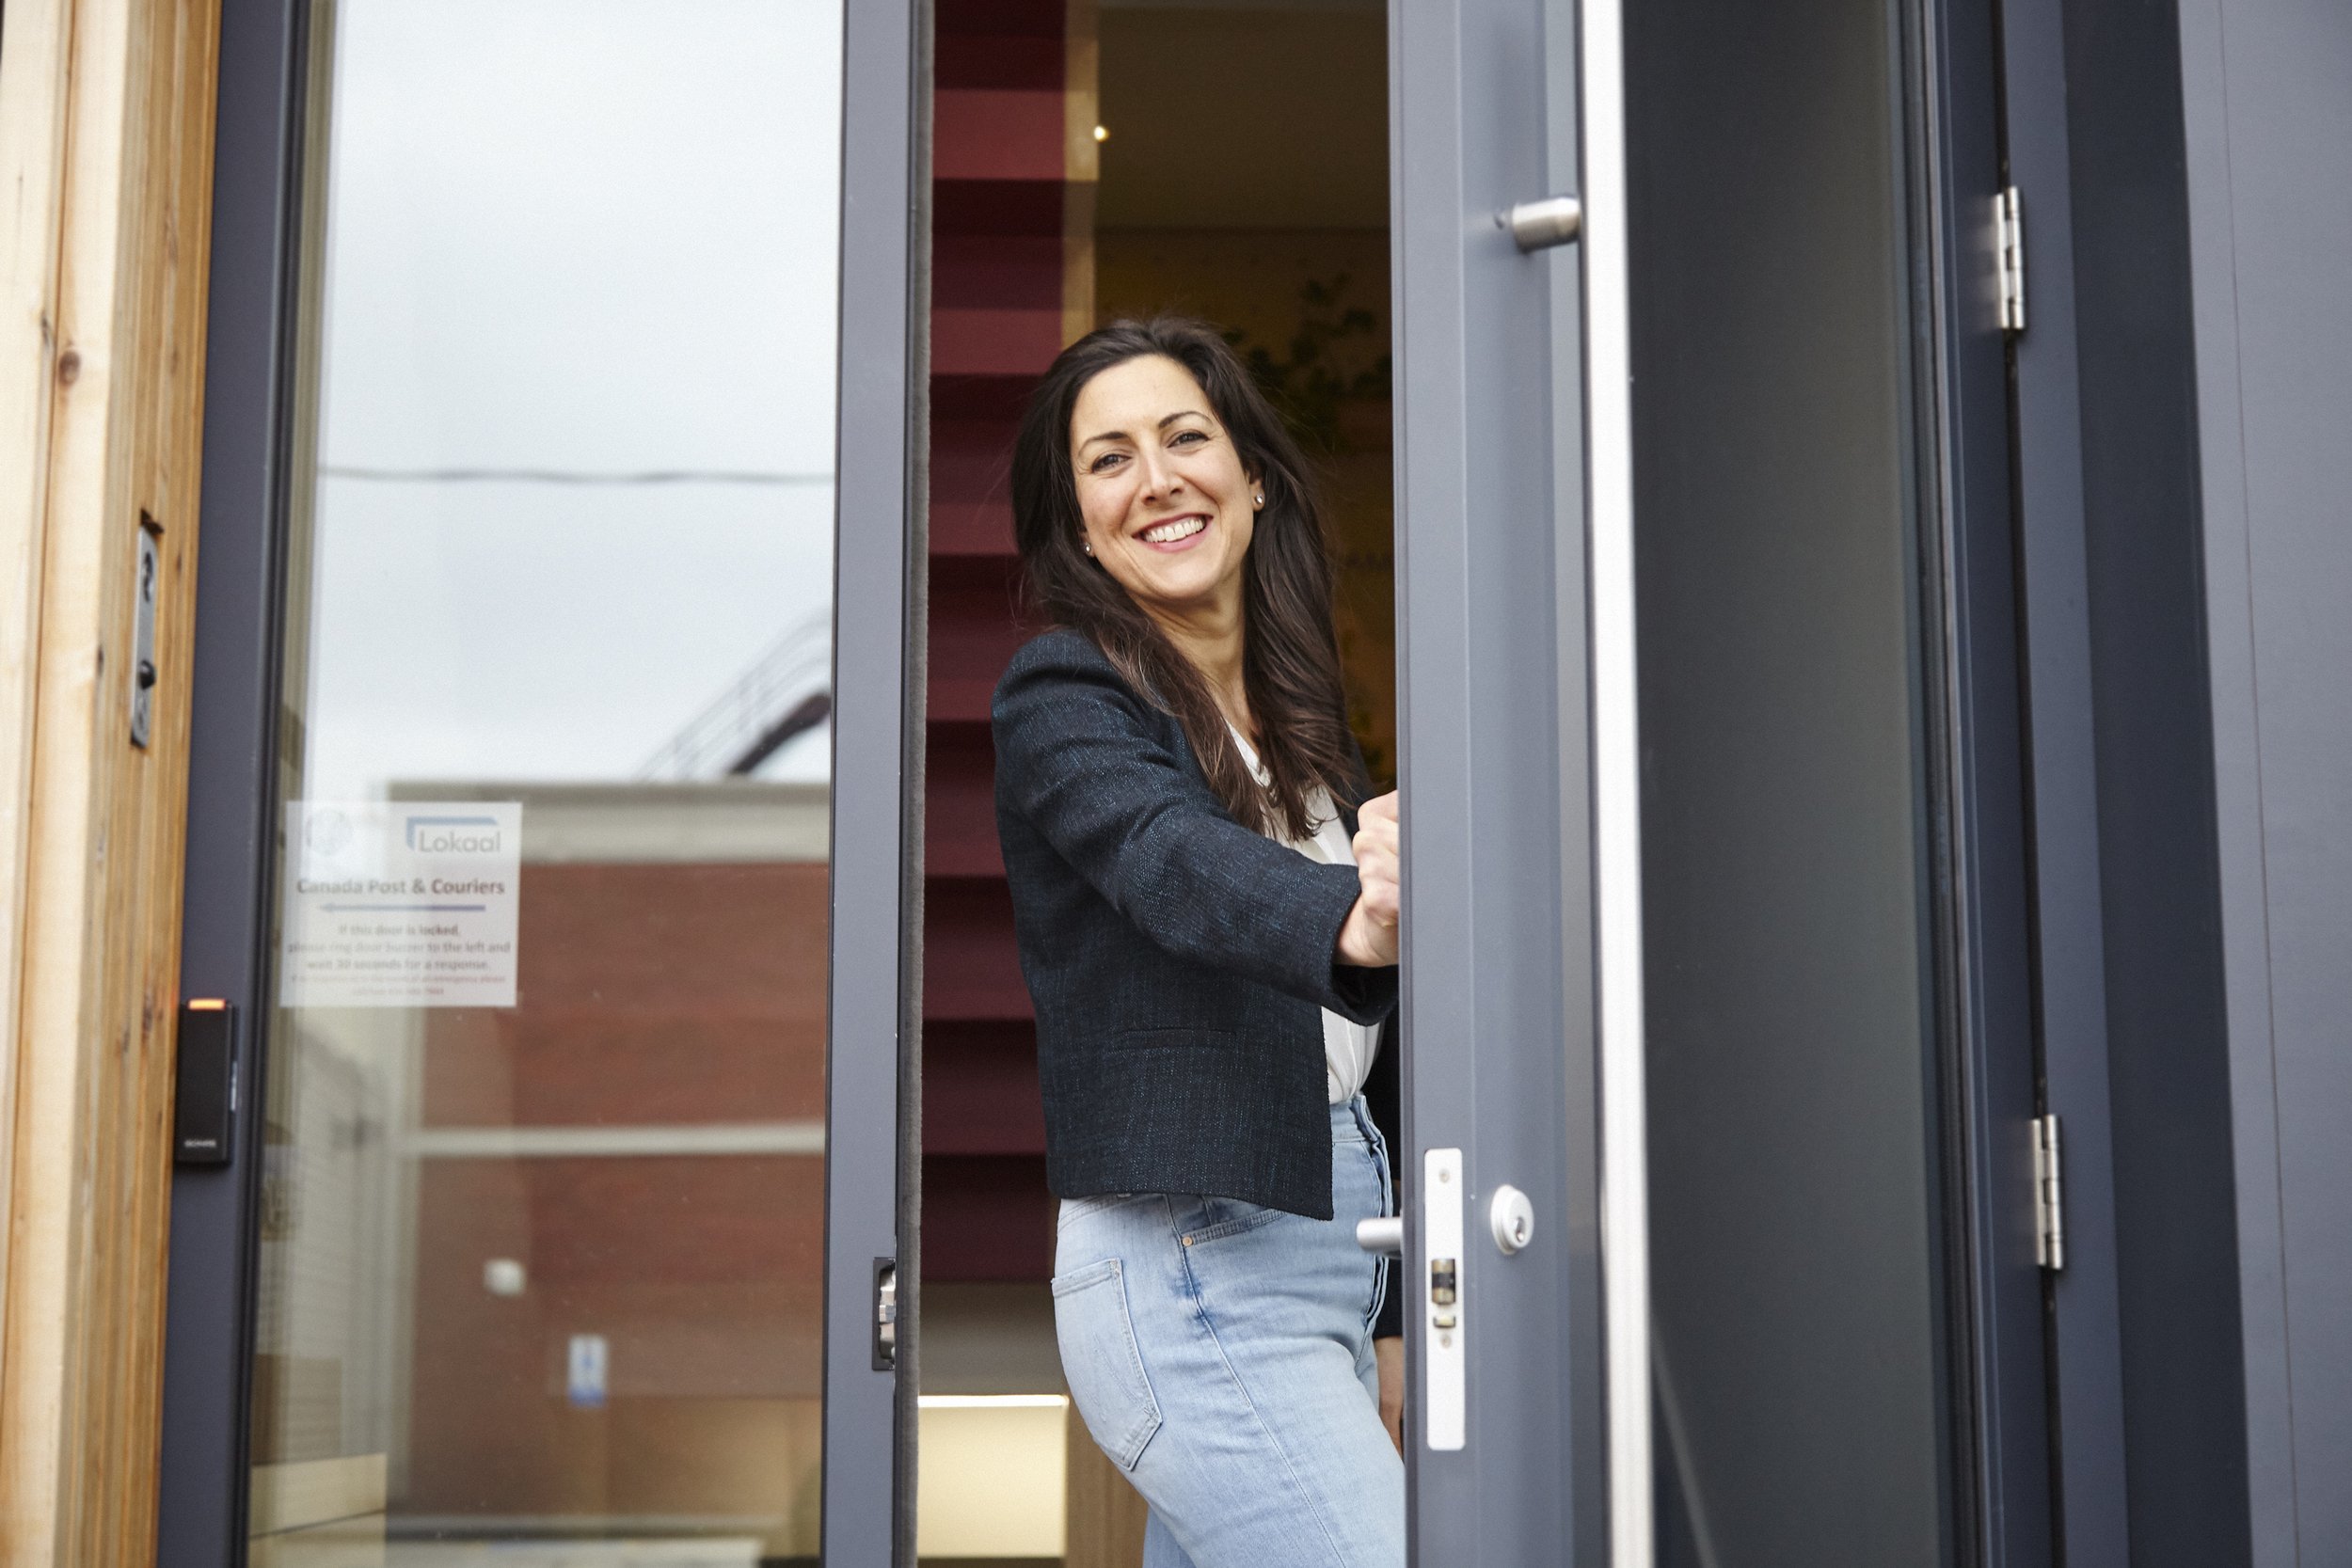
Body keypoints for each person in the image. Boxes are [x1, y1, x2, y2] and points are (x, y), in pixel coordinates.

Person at [993, 315, 1405, 1568]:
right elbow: (1170, 864)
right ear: (1077, 524)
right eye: (1108, 460)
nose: (1157, 477)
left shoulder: (1307, 740)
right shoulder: (1066, 697)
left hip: (1334, 1263)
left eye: (1186, 438)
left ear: (1254, 476)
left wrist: (1387, 1317)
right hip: (1193, 1270)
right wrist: (1353, 916)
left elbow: (1378, 1036)